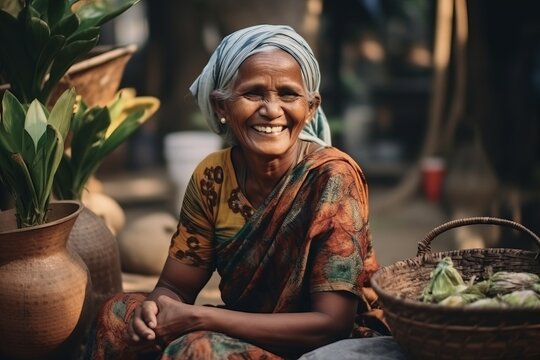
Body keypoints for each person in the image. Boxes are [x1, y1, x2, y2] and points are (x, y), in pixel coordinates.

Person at [85, 24, 405, 360]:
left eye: (288, 94)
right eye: (253, 93)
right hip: (244, 330)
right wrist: (153, 312)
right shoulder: (213, 176)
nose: (271, 109)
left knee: (197, 350)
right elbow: (175, 287)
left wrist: (201, 317)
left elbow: (332, 324)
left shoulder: (332, 177)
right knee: (117, 314)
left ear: (311, 108)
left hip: (335, 344)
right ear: (221, 106)